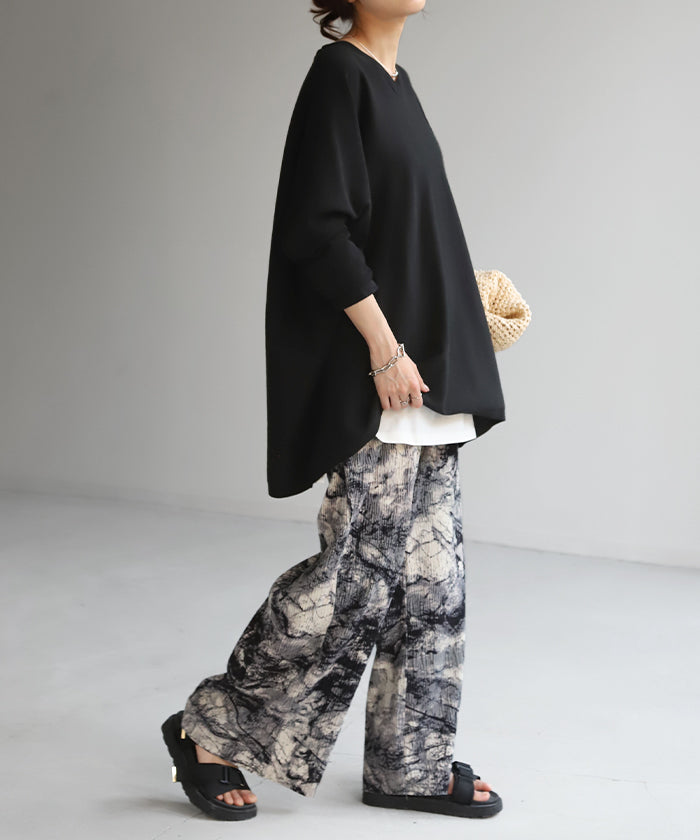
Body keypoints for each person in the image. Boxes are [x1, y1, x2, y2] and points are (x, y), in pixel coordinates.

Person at [162, 0, 505, 821]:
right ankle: (208, 732)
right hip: (383, 375)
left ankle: (408, 764)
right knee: (353, 582)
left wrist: (458, 309)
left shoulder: (397, 82)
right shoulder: (338, 75)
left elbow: (403, 230)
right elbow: (319, 229)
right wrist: (385, 348)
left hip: (425, 374)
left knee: (432, 587)